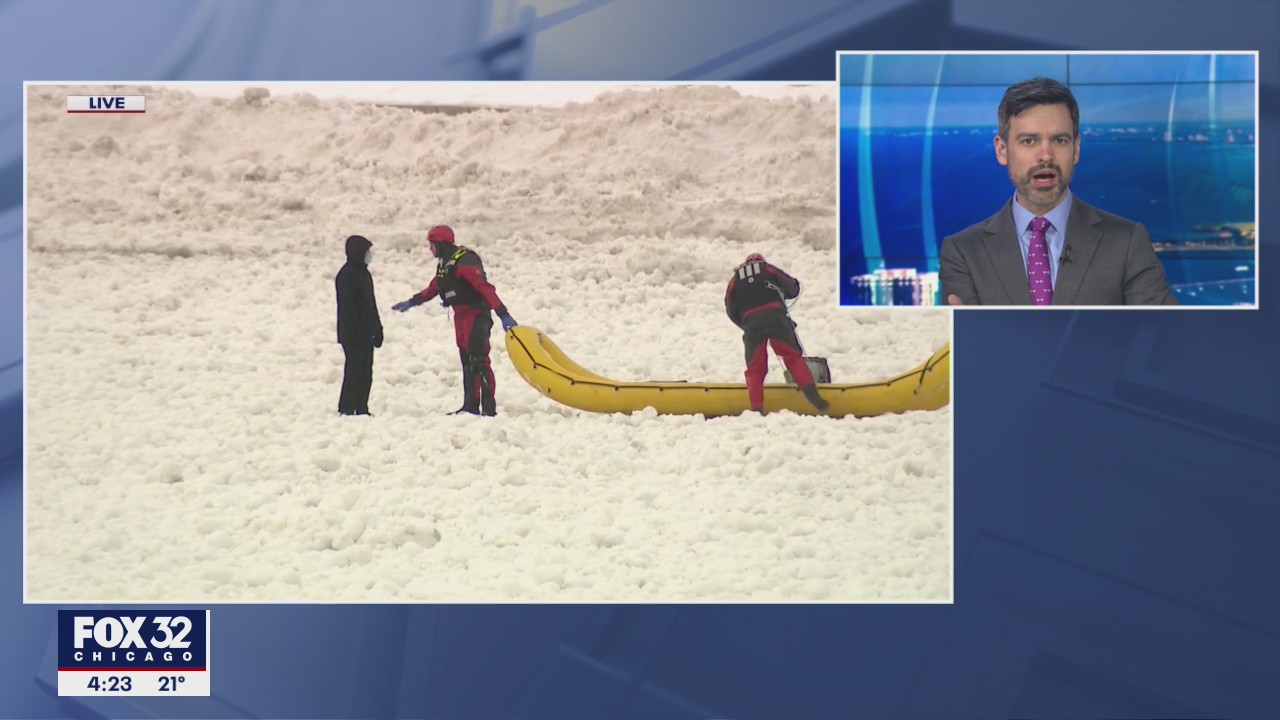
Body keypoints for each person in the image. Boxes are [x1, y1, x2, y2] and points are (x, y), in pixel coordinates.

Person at [939, 76, 1177, 306]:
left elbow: (1166, 335)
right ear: (1002, 150)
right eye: (1029, 141)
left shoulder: (1126, 242)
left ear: (1076, 149)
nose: (1046, 155)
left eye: (1060, 140)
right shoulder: (963, 252)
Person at [391, 225, 518, 416]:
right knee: (466, 361)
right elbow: (435, 287)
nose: (430, 249)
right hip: (461, 317)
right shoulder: (446, 263)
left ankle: (489, 409)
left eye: (431, 244)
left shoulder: (464, 261)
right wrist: (412, 301)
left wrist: (503, 313)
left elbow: (484, 288)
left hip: (476, 315)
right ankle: (470, 406)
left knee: (479, 361)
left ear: (440, 244)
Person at [725, 253, 829, 415]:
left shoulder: (734, 281)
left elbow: (731, 311)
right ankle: (815, 399)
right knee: (793, 358)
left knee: (755, 369)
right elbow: (793, 287)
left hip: (752, 325)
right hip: (777, 319)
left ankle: (757, 409)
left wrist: (746, 324)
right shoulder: (767, 269)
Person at [334, 234, 383, 416]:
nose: (369, 255)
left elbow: (371, 304)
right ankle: (347, 407)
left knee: (365, 371)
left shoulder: (364, 273)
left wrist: (377, 328)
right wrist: (360, 330)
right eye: (366, 251)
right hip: (353, 333)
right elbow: (350, 309)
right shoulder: (346, 275)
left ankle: (362, 406)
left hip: (365, 332)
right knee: (354, 370)